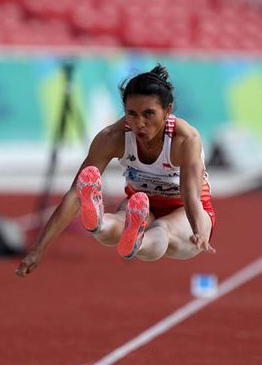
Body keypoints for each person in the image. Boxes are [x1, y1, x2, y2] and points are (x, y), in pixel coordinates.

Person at [15, 64, 215, 278]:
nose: (139, 124)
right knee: (128, 222)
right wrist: (37, 249)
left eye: (149, 114)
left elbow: (189, 193)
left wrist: (199, 231)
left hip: (185, 210)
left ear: (167, 110)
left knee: (162, 228)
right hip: (140, 204)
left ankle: (125, 235)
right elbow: (75, 194)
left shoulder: (184, 139)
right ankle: (100, 222)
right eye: (132, 114)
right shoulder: (113, 137)